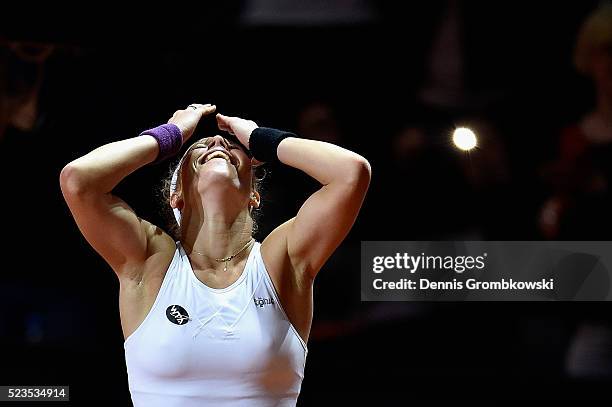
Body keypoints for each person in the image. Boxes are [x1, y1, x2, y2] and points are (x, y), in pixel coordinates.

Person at [59, 103, 371, 406]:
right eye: (199, 147)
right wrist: (170, 134)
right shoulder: (150, 261)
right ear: (175, 196)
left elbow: (351, 173)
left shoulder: (281, 261)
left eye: (235, 148)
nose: (219, 141)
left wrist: (259, 136)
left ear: (254, 195)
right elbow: (78, 180)